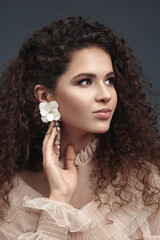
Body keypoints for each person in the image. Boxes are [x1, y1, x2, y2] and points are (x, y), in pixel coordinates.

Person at [0, 16, 160, 240]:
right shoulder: (6, 193)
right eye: (85, 81)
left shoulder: (144, 185)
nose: (105, 95)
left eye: (109, 80)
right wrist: (58, 199)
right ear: (45, 96)